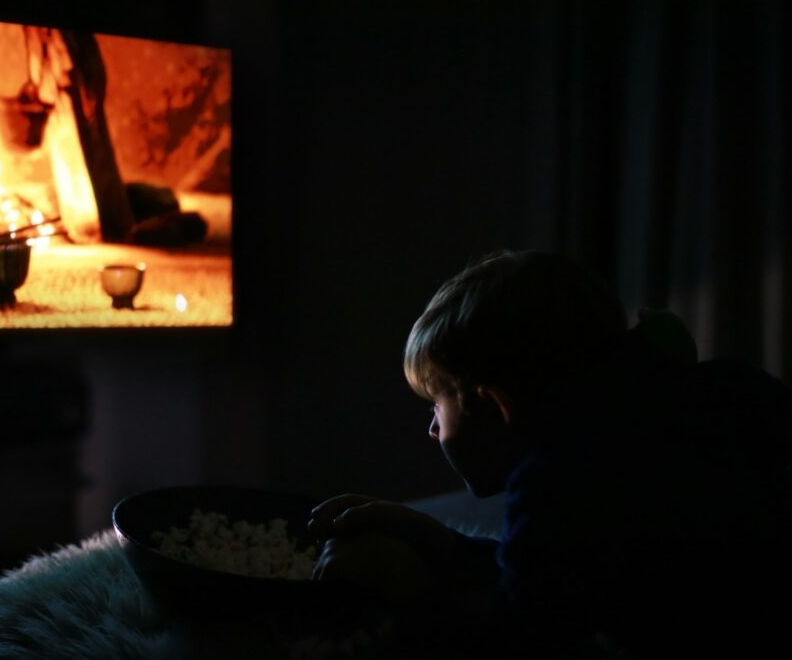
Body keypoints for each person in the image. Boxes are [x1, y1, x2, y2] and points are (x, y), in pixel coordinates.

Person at [308, 249, 792, 659]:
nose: (433, 429)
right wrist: (443, 544)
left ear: (495, 406)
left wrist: (412, 595)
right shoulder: (723, 391)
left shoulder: (555, 481)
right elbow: (559, 573)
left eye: (437, 404)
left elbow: (520, 634)